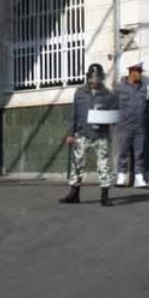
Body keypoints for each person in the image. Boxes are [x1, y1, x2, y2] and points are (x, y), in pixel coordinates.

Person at [61, 63, 120, 206]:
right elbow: (74, 113)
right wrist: (71, 134)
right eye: (92, 78)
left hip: (102, 135)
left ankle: (104, 196)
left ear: (101, 78)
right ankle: (74, 194)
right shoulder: (80, 93)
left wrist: (109, 118)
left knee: (104, 165)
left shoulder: (109, 95)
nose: (95, 81)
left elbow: (115, 114)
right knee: (77, 164)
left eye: (98, 78)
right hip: (83, 134)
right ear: (88, 78)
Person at [115, 60, 149, 189]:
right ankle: (121, 177)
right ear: (131, 72)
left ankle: (139, 178)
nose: (140, 74)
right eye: (138, 71)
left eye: (140, 71)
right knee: (123, 152)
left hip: (139, 126)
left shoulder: (144, 88)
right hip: (124, 125)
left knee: (139, 153)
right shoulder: (120, 87)